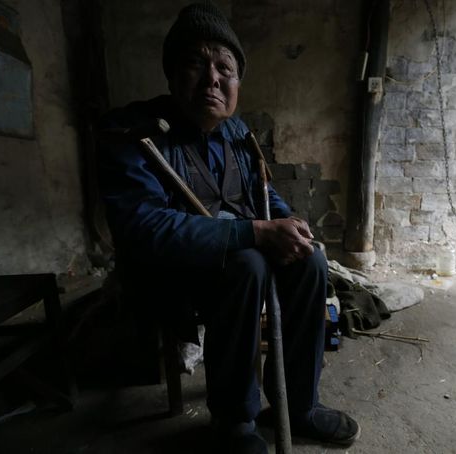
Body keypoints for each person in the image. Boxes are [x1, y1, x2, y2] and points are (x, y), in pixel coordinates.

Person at [97, 2, 360, 452]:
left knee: (311, 260)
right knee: (247, 265)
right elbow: (141, 227)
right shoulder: (135, 132)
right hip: (169, 275)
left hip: (239, 261)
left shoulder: (238, 135)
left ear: (237, 83)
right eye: (196, 64)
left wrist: (286, 220)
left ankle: (296, 405)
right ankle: (234, 421)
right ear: (171, 73)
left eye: (225, 68)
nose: (213, 78)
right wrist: (253, 233)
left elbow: (261, 194)